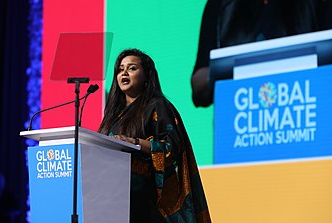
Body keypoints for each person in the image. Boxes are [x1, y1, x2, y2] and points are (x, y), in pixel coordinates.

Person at [98, 48, 211, 223]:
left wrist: (133, 142)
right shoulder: (113, 116)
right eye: (120, 69)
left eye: (132, 68)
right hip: (114, 198)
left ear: (146, 75)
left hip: (147, 201)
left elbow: (171, 148)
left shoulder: (158, 106)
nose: (124, 73)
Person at [191, 0, 330, 108]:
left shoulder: (320, 3)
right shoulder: (222, 6)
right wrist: (225, 71)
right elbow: (199, 85)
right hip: (242, 129)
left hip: (306, 120)